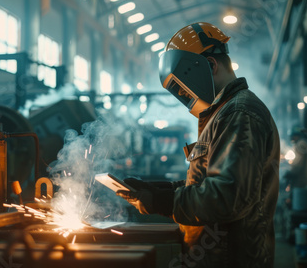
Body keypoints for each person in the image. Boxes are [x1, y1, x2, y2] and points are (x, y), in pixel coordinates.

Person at [117, 22, 280, 268]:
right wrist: (164, 190)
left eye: (184, 87)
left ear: (210, 66)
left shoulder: (239, 113)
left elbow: (228, 198)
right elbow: (209, 184)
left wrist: (165, 202)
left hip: (230, 259)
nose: (186, 95)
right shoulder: (223, 113)